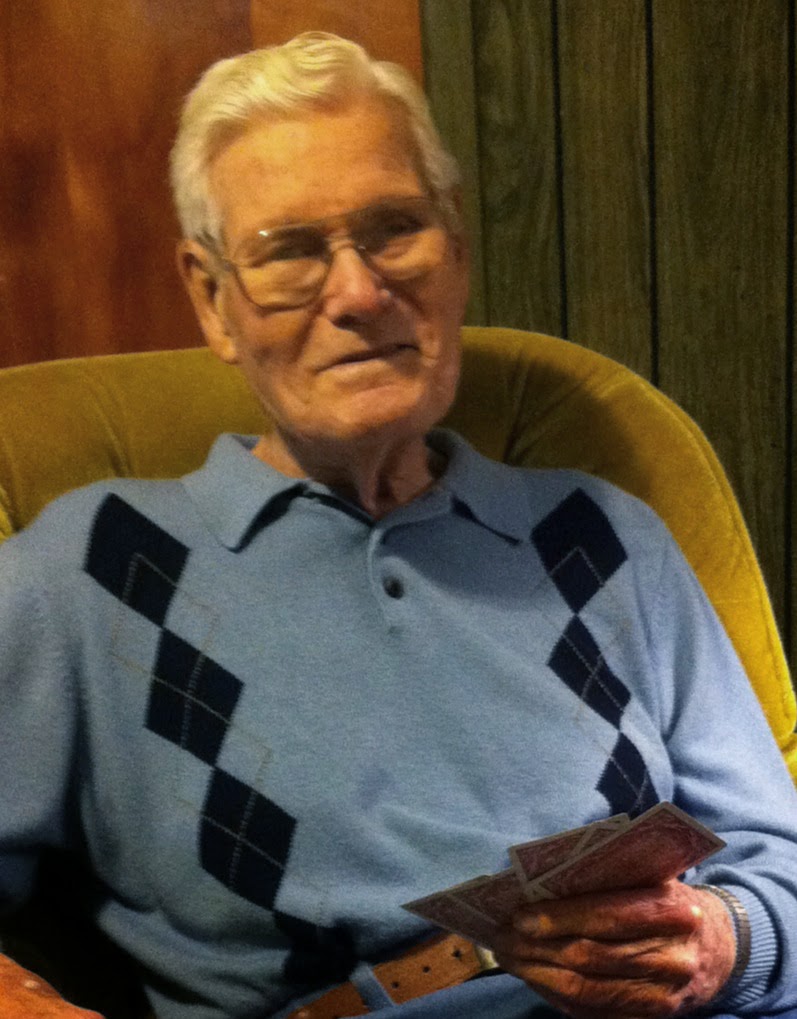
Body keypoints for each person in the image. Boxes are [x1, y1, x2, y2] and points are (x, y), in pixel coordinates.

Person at [1, 30, 796, 1019]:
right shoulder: (91, 575)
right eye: (289, 251)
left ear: (454, 251)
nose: (358, 293)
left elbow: (781, 862)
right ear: (211, 299)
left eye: (393, 230)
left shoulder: (602, 536)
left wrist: (725, 939)